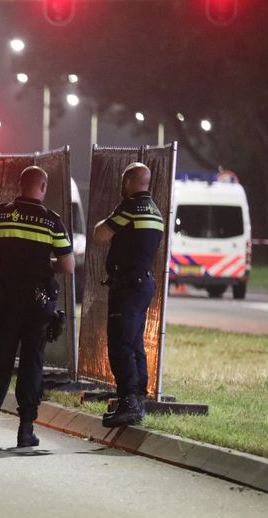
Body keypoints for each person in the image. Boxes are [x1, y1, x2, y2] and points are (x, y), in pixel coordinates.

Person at [0, 166, 74, 449]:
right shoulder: (52, 221)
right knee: (32, 363)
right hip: (38, 303)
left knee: (1, 364)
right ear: (43, 187)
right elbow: (68, 266)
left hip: (8, 301)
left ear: (20, 184)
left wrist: (9, 261)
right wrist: (40, 265)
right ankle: (26, 429)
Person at [93, 163, 164, 428]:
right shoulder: (155, 211)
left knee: (121, 344)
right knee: (134, 343)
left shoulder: (129, 207)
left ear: (131, 181)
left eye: (125, 181)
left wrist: (107, 217)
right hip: (143, 283)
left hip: (128, 285)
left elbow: (100, 234)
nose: (123, 187)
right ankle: (136, 400)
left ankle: (129, 402)